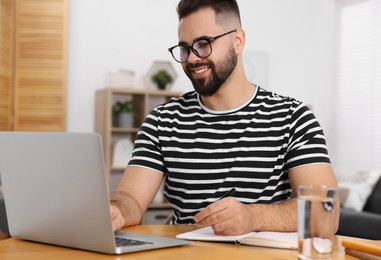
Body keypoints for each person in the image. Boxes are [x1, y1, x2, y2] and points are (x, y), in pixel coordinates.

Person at [110, 0, 339, 236]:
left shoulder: (294, 118)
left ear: (238, 41)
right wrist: (117, 210)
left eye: (203, 44)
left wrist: (254, 217)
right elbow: (131, 199)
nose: (191, 59)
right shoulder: (161, 121)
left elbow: (326, 213)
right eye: (185, 48)